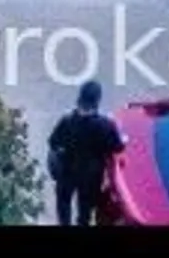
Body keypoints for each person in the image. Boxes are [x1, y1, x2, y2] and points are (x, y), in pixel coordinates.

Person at [46, 78, 125, 227]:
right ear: (97, 101)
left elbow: (52, 142)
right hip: (91, 178)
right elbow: (117, 147)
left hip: (67, 172)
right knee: (85, 213)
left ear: (80, 98)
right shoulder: (105, 125)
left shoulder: (67, 121)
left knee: (64, 205)